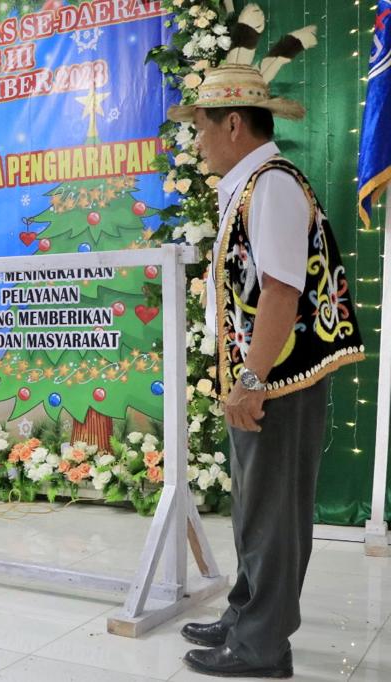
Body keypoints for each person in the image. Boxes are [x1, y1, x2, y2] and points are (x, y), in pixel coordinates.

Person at [168, 62, 365, 677]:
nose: (197, 141)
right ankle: (246, 615)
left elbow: (282, 291)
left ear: (233, 124)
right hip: (262, 377)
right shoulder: (251, 184)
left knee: (274, 513)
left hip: (277, 380)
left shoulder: (272, 185)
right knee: (256, 508)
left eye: (201, 127)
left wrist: (251, 381)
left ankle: (262, 646)